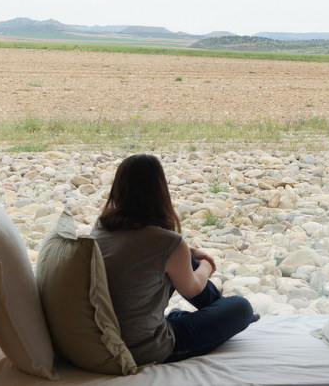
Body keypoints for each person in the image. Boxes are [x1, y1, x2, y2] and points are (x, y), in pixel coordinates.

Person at [91, 153, 256, 365]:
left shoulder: (101, 229)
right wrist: (206, 264)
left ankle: (214, 313)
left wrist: (186, 251)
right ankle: (222, 313)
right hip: (146, 347)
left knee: (186, 261)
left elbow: (143, 250)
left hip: (107, 337)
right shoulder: (167, 242)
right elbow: (193, 289)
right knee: (241, 307)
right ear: (160, 190)